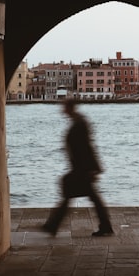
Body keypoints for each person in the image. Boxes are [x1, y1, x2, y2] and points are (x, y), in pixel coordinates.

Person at [42, 98, 114, 237]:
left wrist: (94, 169)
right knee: (84, 196)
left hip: (83, 168)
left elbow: (87, 147)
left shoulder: (79, 123)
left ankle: (52, 225)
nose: (62, 110)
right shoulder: (77, 122)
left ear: (70, 108)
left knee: (70, 193)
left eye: (64, 107)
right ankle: (105, 225)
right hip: (82, 167)